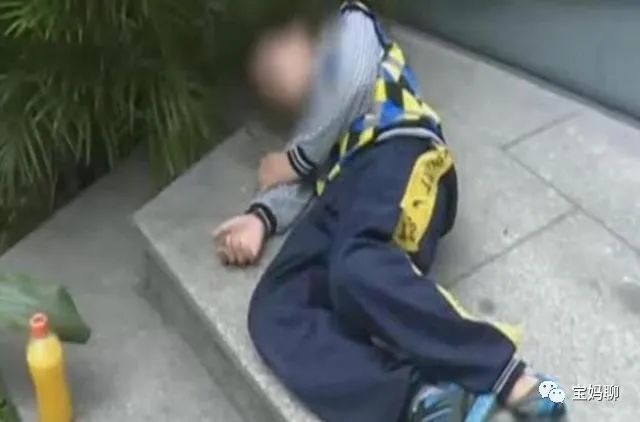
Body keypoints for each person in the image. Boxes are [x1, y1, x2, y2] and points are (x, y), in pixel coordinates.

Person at [214, 2, 568, 421]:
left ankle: (505, 374)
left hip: (396, 154)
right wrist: (260, 217)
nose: (273, 84)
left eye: (273, 66)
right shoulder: (314, 130)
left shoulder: (351, 27)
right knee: (274, 308)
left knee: (357, 265)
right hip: (338, 195)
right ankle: (419, 397)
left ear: (298, 33)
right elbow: (300, 184)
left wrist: (294, 159)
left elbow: (352, 84)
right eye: (266, 84)